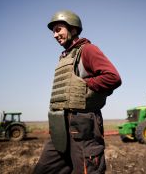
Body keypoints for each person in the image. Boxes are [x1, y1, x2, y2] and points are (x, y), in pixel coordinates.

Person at [34, 10, 122, 174]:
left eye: (59, 29)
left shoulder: (88, 50)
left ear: (73, 29)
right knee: (44, 170)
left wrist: (84, 85)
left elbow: (113, 77)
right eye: (53, 31)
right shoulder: (65, 57)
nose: (55, 35)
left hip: (82, 124)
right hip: (60, 125)